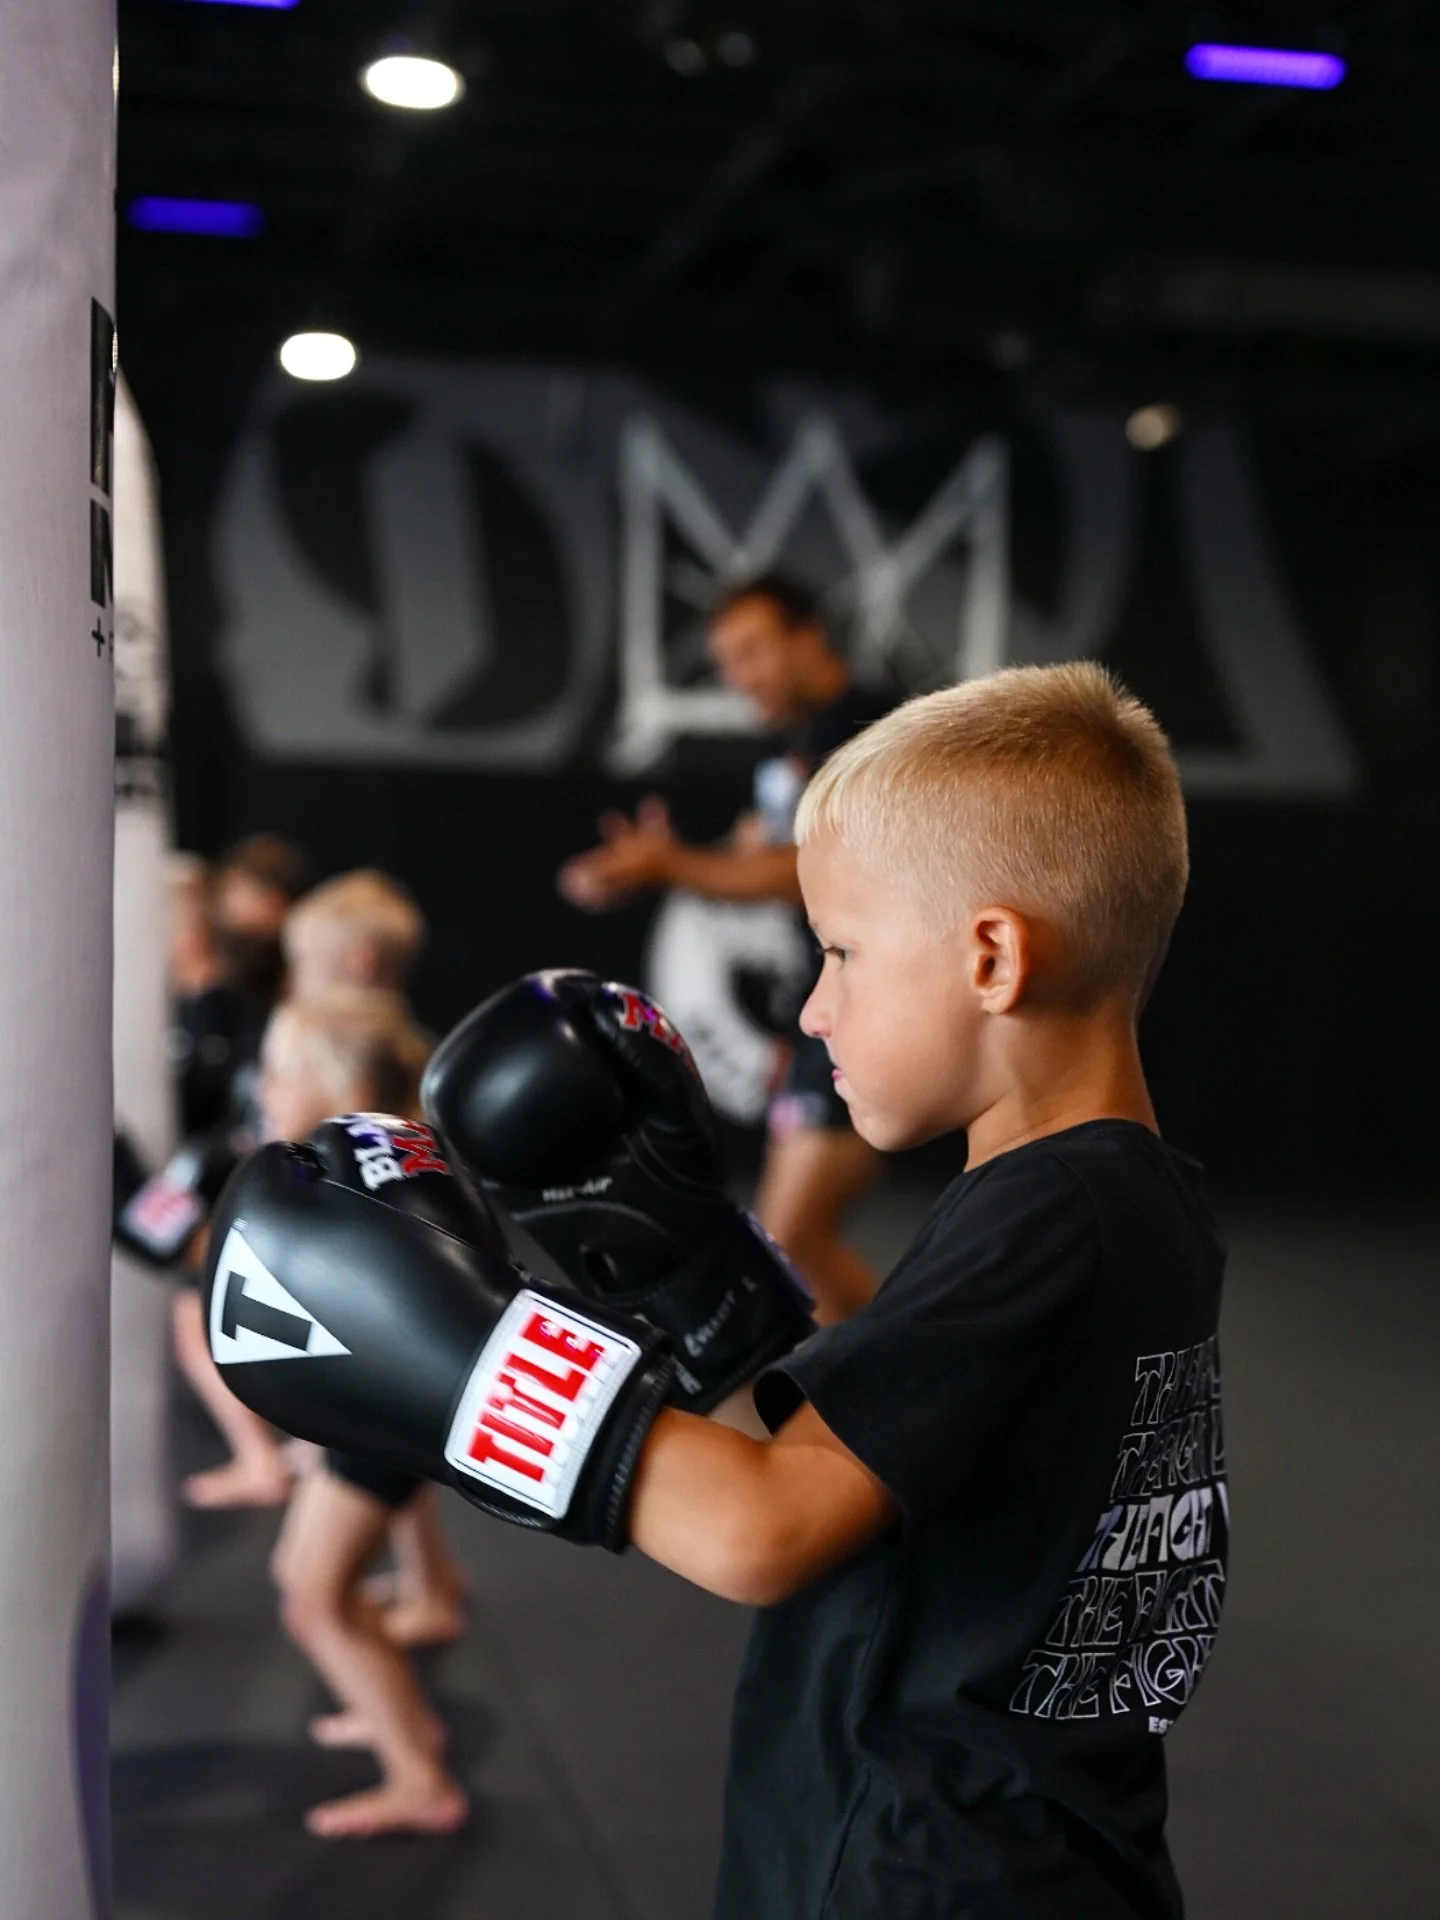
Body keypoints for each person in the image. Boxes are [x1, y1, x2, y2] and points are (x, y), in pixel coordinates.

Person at [209, 662, 1227, 1909]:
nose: (814, 1008)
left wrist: (469, 1367)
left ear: (991, 957)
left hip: (931, 1877)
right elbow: (853, 1472)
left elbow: (764, 1532)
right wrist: (688, 1266)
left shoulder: (1053, 1213)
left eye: (844, 952)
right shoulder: (1134, 1206)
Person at [559, 576, 891, 1323]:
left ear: (809, 636)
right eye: (727, 661)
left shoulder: (866, 731)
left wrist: (669, 865)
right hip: (827, 1014)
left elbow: (811, 870)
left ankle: (910, 1404)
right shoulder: (790, 746)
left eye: (752, 652)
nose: (739, 677)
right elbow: (761, 856)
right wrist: (666, 857)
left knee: (780, 1246)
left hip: (871, 1013)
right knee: (796, 1249)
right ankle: (921, 1396)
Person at [261, 990, 471, 1840]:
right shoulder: (393, 1155)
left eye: (278, 1073)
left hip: (380, 1409)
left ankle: (418, 1777)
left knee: (313, 1599)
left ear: (332, 1079)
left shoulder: (364, 1178)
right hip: (381, 1406)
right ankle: (403, 1723)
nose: (266, 1091)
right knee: (317, 1587)